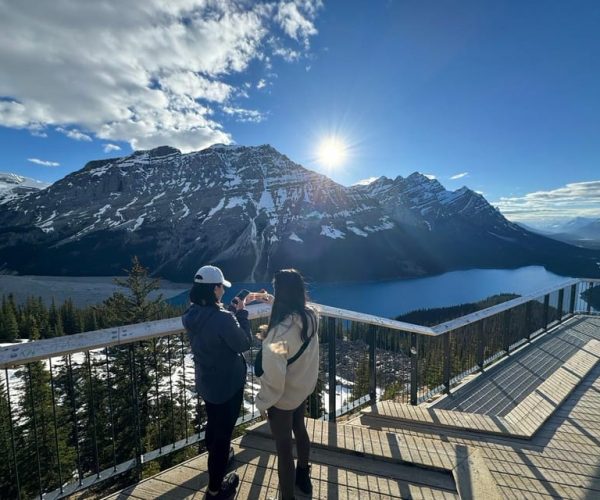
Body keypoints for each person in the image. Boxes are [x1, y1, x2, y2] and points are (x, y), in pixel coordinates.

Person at [181, 265, 252, 499]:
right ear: (214, 289)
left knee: (214, 424)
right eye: (221, 286)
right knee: (223, 434)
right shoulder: (222, 318)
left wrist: (227, 312)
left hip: (207, 382)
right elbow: (242, 343)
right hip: (227, 384)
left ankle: (218, 457)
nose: (223, 289)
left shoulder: (192, 313)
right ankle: (215, 489)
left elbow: (214, 327)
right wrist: (241, 315)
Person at [255, 269, 320, 500]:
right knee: (300, 429)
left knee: (284, 449)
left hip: (282, 398)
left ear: (279, 293)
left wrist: (262, 402)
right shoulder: (311, 317)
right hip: (301, 389)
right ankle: (304, 477)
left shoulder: (277, 336)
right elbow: (291, 347)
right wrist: (274, 303)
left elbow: (274, 377)